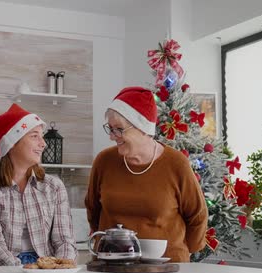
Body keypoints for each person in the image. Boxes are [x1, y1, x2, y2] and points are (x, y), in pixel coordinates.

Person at [85, 87, 208, 262]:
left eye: (119, 129)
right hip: (112, 266)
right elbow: (92, 210)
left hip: (166, 267)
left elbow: (197, 215)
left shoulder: (176, 163)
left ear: (142, 128)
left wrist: (184, 252)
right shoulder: (104, 161)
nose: (112, 136)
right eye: (110, 129)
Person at [0, 104, 77, 266]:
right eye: (34, 136)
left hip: (47, 270)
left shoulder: (54, 186)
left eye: (42, 136)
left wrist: (60, 266)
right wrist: (22, 270)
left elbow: (64, 240)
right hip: (5, 272)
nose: (43, 144)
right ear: (12, 143)